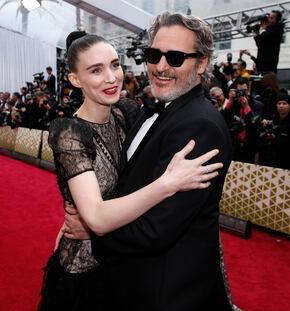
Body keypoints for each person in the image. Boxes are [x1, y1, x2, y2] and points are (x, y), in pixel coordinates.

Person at [37, 31, 224, 311]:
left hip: (125, 267)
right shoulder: (69, 133)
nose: (112, 78)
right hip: (84, 267)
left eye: (115, 64)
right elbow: (97, 218)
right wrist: (167, 183)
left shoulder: (127, 112)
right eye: (96, 70)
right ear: (75, 80)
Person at [87, 12, 233, 310]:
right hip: (134, 279)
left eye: (176, 57)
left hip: (166, 290)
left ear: (202, 63)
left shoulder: (199, 126)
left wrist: (94, 231)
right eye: (154, 55)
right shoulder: (155, 107)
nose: (161, 67)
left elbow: (156, 229)